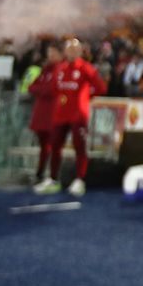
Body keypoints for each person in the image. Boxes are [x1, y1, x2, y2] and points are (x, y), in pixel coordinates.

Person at [39, 38, 107, 196]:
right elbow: (54, 88)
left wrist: (86, 96)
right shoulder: (60, 68)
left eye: (75, 49)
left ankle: (79, 180)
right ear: (65, 51)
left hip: (78, 115)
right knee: (55, 146)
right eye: (69, 49)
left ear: (80, 51)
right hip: (60, 115)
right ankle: (53, 179)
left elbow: (101, 88)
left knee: (79, 147)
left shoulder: (86, 68)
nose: (72, 52)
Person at [27, 44, 62, 191]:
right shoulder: (45, 70)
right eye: (49, 53)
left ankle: (52, 176)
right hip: (41, 114)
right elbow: (31, 87)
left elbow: (51, 89)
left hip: (53, 114)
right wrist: (41, 89)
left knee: (53, 146)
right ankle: (40, 173)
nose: (50, 56)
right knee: (43, 146)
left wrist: (40, 89)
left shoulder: (60, 70)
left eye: (53, 53)